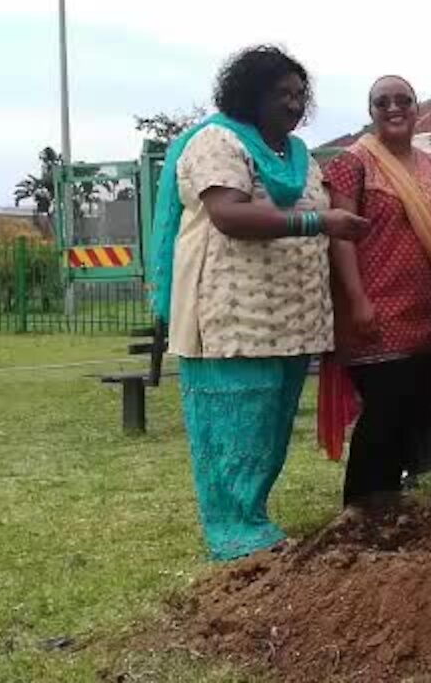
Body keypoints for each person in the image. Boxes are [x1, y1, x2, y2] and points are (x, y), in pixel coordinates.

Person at [149, 45, 368, 560]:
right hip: (231, 319)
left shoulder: (298, 156)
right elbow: (229, 215)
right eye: (281, 93)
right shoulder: (216, 141)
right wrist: (319, 222)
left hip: (291, 321)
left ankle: (254, 517)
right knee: (234, 425)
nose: (293, 104)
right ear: (250, 94)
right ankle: (231, 528)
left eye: (299, 95)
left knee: (269, 428)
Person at [321, 75, 431, 508]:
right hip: (376, 309)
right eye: (383, 102)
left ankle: (390, 505)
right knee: (382, 412)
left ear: (416, 109)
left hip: (425, 312)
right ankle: (360, 508)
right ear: (371, 112)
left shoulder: (430, 164)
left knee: (411, 411)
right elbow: (340, 237)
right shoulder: (352, 163)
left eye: (403, 101)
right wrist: (356, 299)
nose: (394, 108)